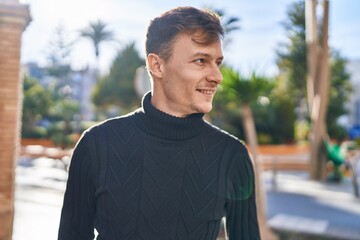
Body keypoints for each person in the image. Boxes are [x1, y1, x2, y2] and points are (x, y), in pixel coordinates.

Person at [58, 6, 260, 240]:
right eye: (201, 61)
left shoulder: (232, 156)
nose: (217, 76)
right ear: (157, 65)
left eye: (218, 62)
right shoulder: (96, 145)